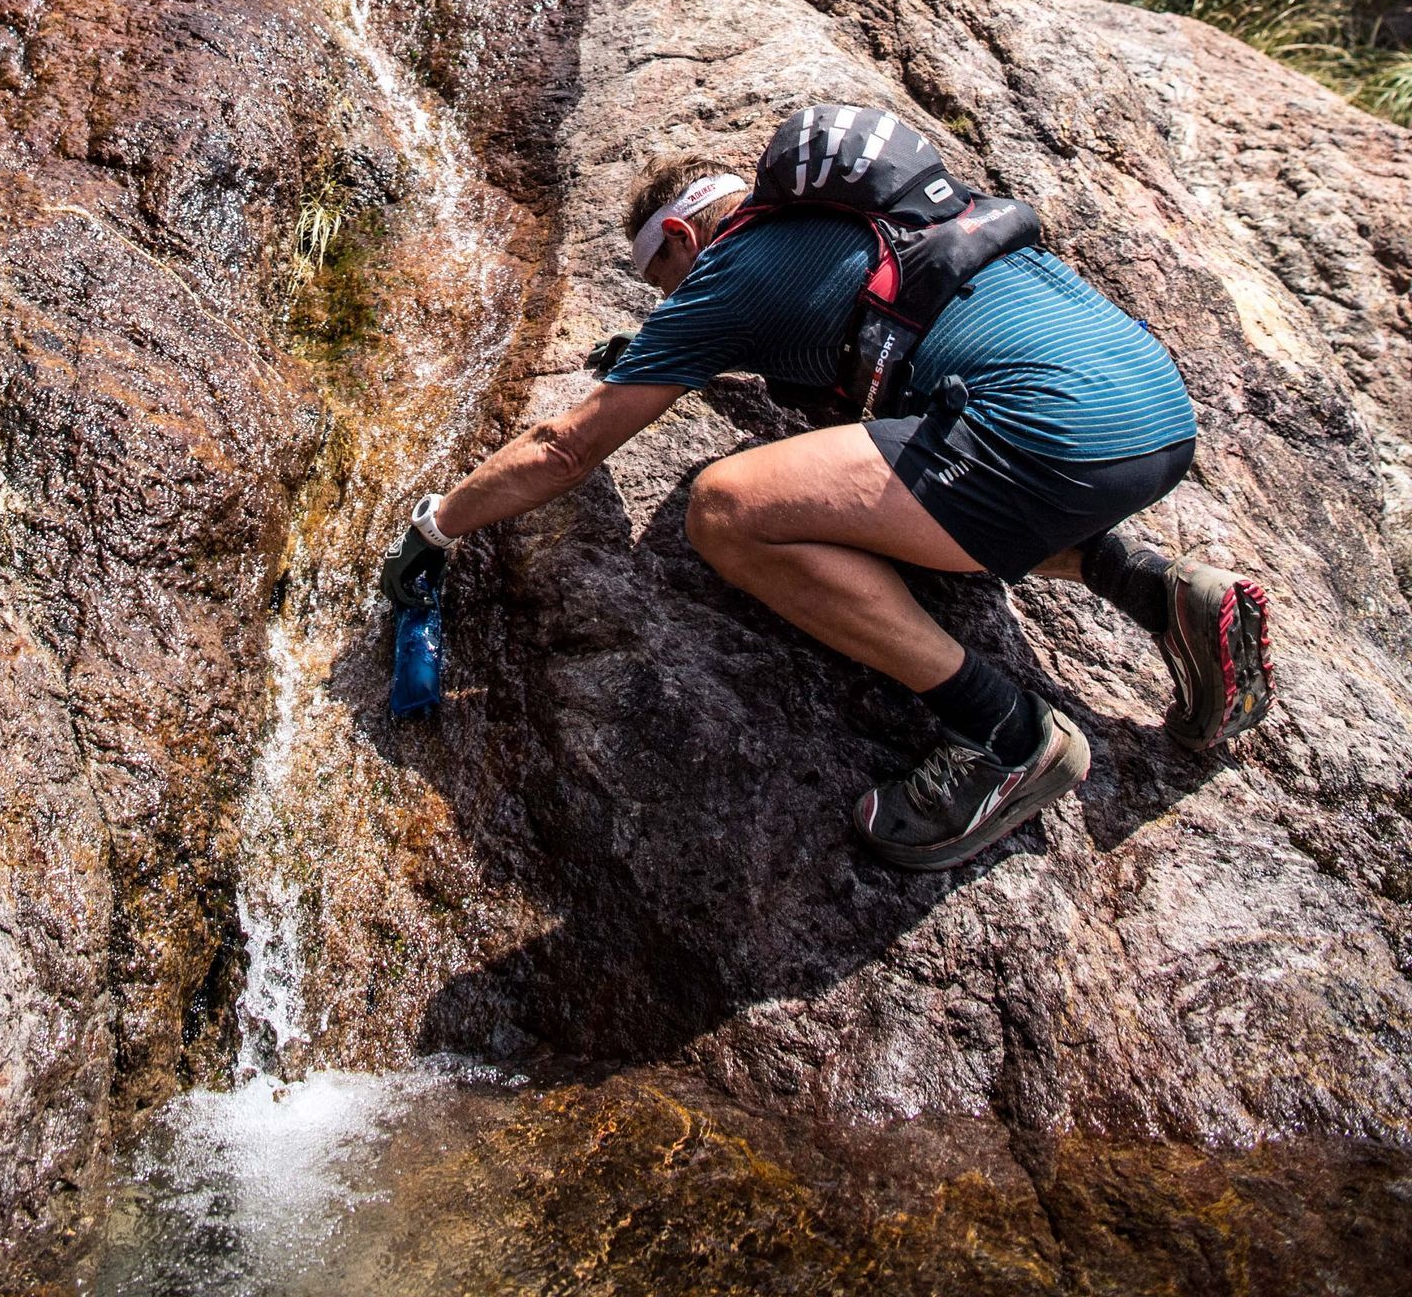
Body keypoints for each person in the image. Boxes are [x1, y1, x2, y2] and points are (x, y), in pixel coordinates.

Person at [381, 144, 1275, 872]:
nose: (668, 302)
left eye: (663, 280)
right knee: (911, 486)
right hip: (1152, 416)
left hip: (1039, 440)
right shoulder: (868, 217)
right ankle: (1166, 592)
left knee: (728, 508)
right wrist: (677, 352)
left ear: (690, 236)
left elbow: (566, 448)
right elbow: (831, 343)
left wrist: (436, 527)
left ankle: (1005, 736)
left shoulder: (726, 275)